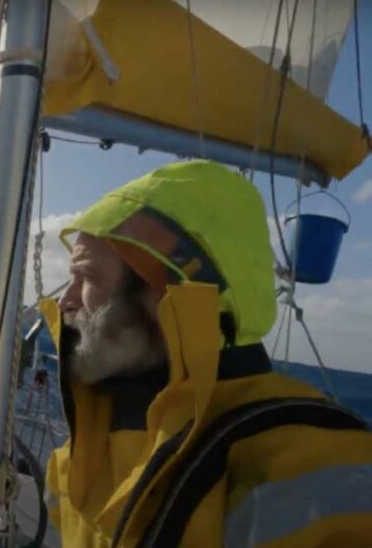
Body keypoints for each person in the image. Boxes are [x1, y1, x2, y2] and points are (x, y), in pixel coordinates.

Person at [39, 160, 372, 547]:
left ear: (172, 294)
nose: (64, 300)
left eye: (88, 278)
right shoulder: (85, 444)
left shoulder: (313, 463)